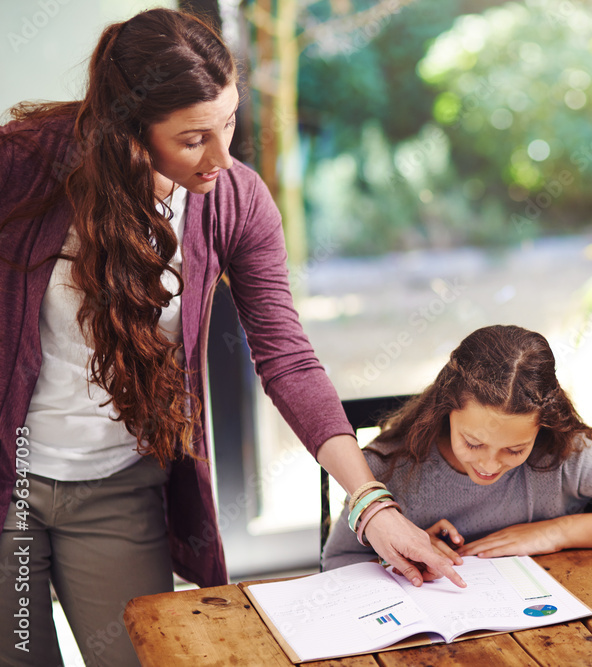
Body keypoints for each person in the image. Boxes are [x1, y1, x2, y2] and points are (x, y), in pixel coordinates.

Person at [0, 9, 461, 667]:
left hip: (117, 483)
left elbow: (287, 355)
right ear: (130, 132)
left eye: (229, 124)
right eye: (193, 139)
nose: (222, 158)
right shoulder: (22, 163)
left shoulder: (233, 200)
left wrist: (372, 503)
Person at [322, 324, 592, 571]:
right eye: (473, 442)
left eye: (514, 449)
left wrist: (557, 531)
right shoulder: (388, 470)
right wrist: (401, 552)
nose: (490, 465)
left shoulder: (562, 456)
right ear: (446, 410)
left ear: (542, 427)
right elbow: (336, 563)